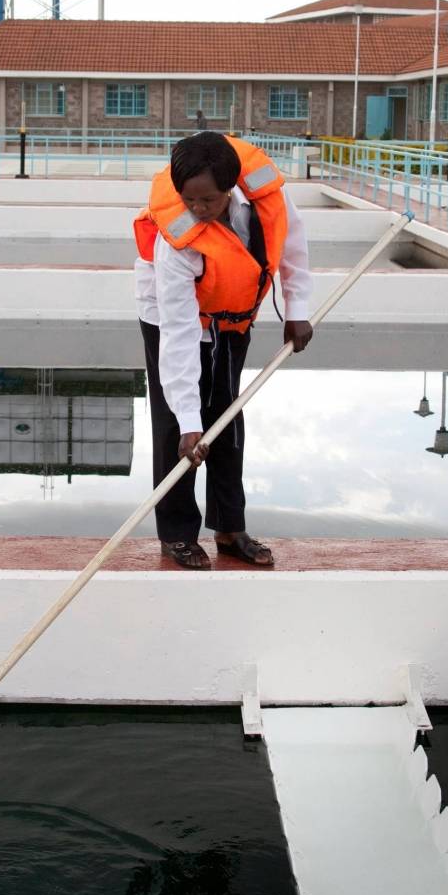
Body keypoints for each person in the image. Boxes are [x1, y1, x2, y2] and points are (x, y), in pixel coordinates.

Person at [134, 132, 313, 568]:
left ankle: (230, 528)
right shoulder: (174, 240)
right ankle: (176, 534)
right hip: (172, 318)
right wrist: (189, 423)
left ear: (231, 188)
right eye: (188, 200)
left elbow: (292, 250)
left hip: (232, 315)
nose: (198, 210)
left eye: (208, 201)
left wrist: (298, 308)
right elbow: (178, 334)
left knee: (228, 417)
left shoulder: (267, 200)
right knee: (177, 427)